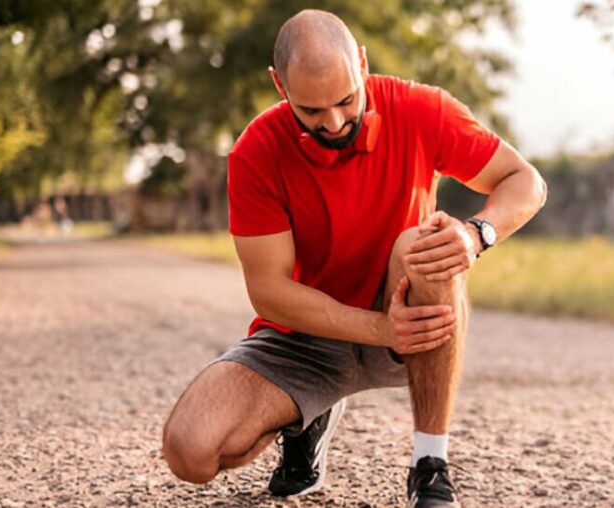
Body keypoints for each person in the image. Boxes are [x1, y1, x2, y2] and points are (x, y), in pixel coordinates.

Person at [159, 9, 547, 507]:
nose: (336, 122)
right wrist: (375, 329)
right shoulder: (255, 151)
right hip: (307, 338)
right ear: (280, 86)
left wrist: (476, 234)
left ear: (361, 64)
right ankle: (305, 419)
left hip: (407, 314)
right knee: (190, 451)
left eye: (346, 100)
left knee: (427, 241)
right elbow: (270, 291)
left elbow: (526, 182)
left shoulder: (421, 108)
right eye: (312, 111)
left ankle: (430, 465)